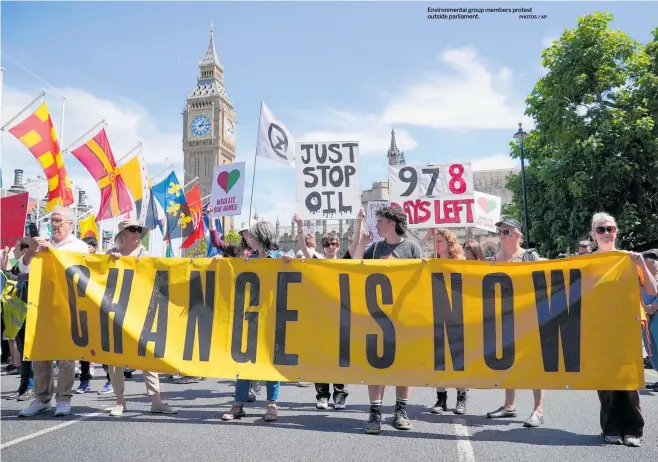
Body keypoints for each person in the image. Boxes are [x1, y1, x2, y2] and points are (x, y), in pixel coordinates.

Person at [352, 204, 422, 434]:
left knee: (404, 366)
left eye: (380, 220)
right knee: (376, 365)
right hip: (376, 318)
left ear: (392, 223)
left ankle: (400, 411)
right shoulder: (375, 248)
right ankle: (375, 414)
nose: (377, 225)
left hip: (404, 317)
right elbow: (353, 267)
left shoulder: (412, 248)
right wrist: (362, 242)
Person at [590, 212, 656, 447]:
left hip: (627, 328)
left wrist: (640, 263)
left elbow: (652, 288)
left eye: (610, 228)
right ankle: (611, 427)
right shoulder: (587, 263)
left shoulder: (629, 259)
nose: (607, 233)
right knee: (606, 381)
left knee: (628, 381)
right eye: (601, 229)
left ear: (616, 231)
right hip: (598, 329)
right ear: (593, 234)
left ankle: (633, 429)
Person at [18, 207, 90, 418]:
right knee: (41, 354)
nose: (55, 224)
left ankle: (64, 398)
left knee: (66, 356)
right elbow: (22, 271)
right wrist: (31, 251)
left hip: (67, 307)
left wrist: (55, 252)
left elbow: (81, 273)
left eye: (59, 220)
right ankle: (42, 398)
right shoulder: (41, 244)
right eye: (52, 220)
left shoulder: (79, 246)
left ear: (70, 224)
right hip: (42, 305)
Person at [103, 220, 177, 417]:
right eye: (131, 230)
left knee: (148, 356)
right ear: (122, 235)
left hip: (141, 312)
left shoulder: (146, 256)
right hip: (117, 311)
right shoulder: (111, 254)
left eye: (138, 230)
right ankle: (120, 402)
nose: (136, 233)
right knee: (114, 356)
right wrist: (107, 260)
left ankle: (157, 401)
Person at [222, 221, 285, 422]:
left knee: (271, 363)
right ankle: (238, 404)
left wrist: (292, 261)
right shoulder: (250, 259)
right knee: (244, 361)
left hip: (273, 317)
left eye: (253, 235)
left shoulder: (279, 258)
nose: (248, 238)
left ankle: (272, 405)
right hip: (251, 316)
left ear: (263, 236)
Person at [486, 218, 545, 428]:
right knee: (506, 362)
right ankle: (509, 405)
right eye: (500, 232)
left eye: (507, 231)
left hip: (528, 317)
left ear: (518, 234)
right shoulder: (492, 259)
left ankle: (538, 409)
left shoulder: (530, 257)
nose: (502, 235)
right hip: (502, 318)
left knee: (533, 364)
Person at [294, 213, 350, 410]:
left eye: (334, 243)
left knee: (339, 356)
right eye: (327, 244)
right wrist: (300, 227)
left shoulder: (345, 264)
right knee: (321, 356)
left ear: (338, 245)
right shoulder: (316, 261)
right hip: (320, 317)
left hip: (340, 317)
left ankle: (340, 393)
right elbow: (303, 248)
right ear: (323, 247)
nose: (331, 247)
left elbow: (358, 247)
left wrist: (359, 222)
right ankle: (323, 395)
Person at [427, 229, 469, 415]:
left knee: (458, 358)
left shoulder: (460, 263)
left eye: (440, 241)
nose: (437, 244)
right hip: (436, 313)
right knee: (439, 358)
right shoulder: (430, 262)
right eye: (435, 241)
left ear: (449, 243)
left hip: (457, 314)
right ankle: (441, 398)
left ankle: (461, 397)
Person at [74, 237, 113, 395]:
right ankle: (85, 381)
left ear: (95, 247)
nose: (86, 249)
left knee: (103, 348)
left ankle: (110, 380)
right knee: (84, 348)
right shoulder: (78, 261)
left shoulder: (102, 261)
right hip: (83, 310)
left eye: (88, 246)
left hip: (100, 310)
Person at [4, 238, 34, 400]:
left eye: (16, 249)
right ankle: (23, 386)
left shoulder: (32, 266)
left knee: (28, 352)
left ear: (24, 251)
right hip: (19, 314)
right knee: (23, 350)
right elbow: (10, 276)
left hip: (29, 312)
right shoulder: (19, 266)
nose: (14, 251)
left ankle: (30, 386)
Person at [640, 249, 658, 391]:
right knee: (651, 350)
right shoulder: (641, 279)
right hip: (646, 318)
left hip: (656, 315)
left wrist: (653, 306)